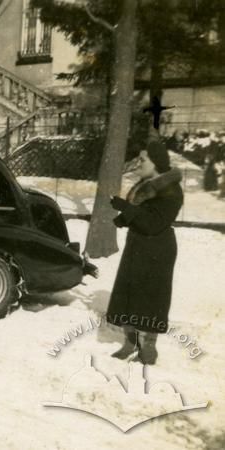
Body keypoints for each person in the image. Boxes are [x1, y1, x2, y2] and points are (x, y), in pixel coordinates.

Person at [106, 140, 183, 365]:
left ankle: (149, 348)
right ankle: (129, 343)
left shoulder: (171, 190)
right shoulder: (144, 184)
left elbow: (153, 223)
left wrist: (125, 208)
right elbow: (141, 212)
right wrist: (123, 218)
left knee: (152, 298)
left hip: (158, 249)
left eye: (144, 159)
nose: (139, 163)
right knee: (129, 294)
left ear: (156, 162)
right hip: (138, 246)